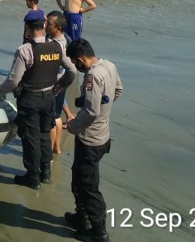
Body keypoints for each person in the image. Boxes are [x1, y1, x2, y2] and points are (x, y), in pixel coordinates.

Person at [0, 10, 75, 189]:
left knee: (31, 138)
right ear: (43, 26)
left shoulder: (25, 50)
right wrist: (58, 87)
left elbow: (13, 80)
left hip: (31, 99)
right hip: (49, 98)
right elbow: (72, 71)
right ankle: (46, 173)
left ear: (27, 28)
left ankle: (32, 177)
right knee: (44, 134)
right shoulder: (57, 46)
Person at [64, 38, 122, 242]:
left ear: (80, 59)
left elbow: (90, 112)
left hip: (90, 139)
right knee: (78, 179)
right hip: (102, 135)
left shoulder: (92, 76)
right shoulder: (109, 65)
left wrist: (72, 126)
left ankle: (99, 231)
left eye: (74, 61)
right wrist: (103, 111)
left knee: (88, 186)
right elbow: (117, 91)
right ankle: (82, 217)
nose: (75, 66)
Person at [45, 11, 78, 155]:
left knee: (51, 118)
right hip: (61, 82)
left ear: (58, 28)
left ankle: (50, 151)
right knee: (57, 116)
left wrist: (59, 85)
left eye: (49, 24)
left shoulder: (59, 43)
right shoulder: (64, 39)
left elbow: (71, 67)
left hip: (54, 84)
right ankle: (57, 147)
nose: (45, 25)